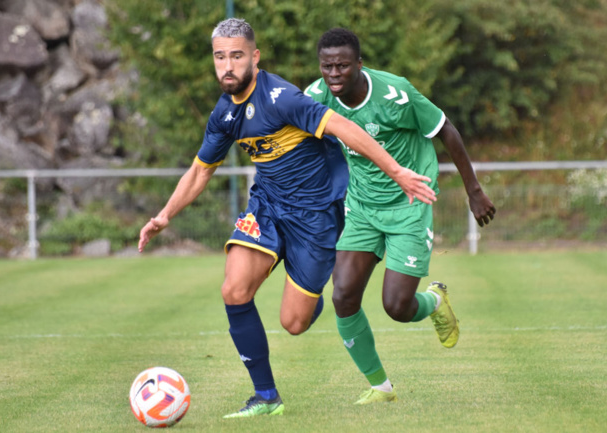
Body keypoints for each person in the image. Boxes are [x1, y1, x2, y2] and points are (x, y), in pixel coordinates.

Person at [138, 19, 437, 418]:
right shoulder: (225, 113)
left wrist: (397, 172)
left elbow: (345, 128)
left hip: (316, 219)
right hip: (267, 208)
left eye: (237, 56)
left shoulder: (282, 98)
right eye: (220, 57)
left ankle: (306, 296)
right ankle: (266, 397)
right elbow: (200, 170)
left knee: (293, 323)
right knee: (234, 289)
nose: (228, 66)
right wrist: (164, 215)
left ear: (254, 57)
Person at [305, 28, 496, 404]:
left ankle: (434, 302)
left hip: (409, 206)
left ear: (360, 64)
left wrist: (474, 190)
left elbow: (447, 130)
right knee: (342, 296)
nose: (334, 74)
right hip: (361, 207)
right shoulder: (317, 95)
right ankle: (380, 387)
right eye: (327, 66)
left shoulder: (396, 94)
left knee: (397, 307)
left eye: (343, 65)